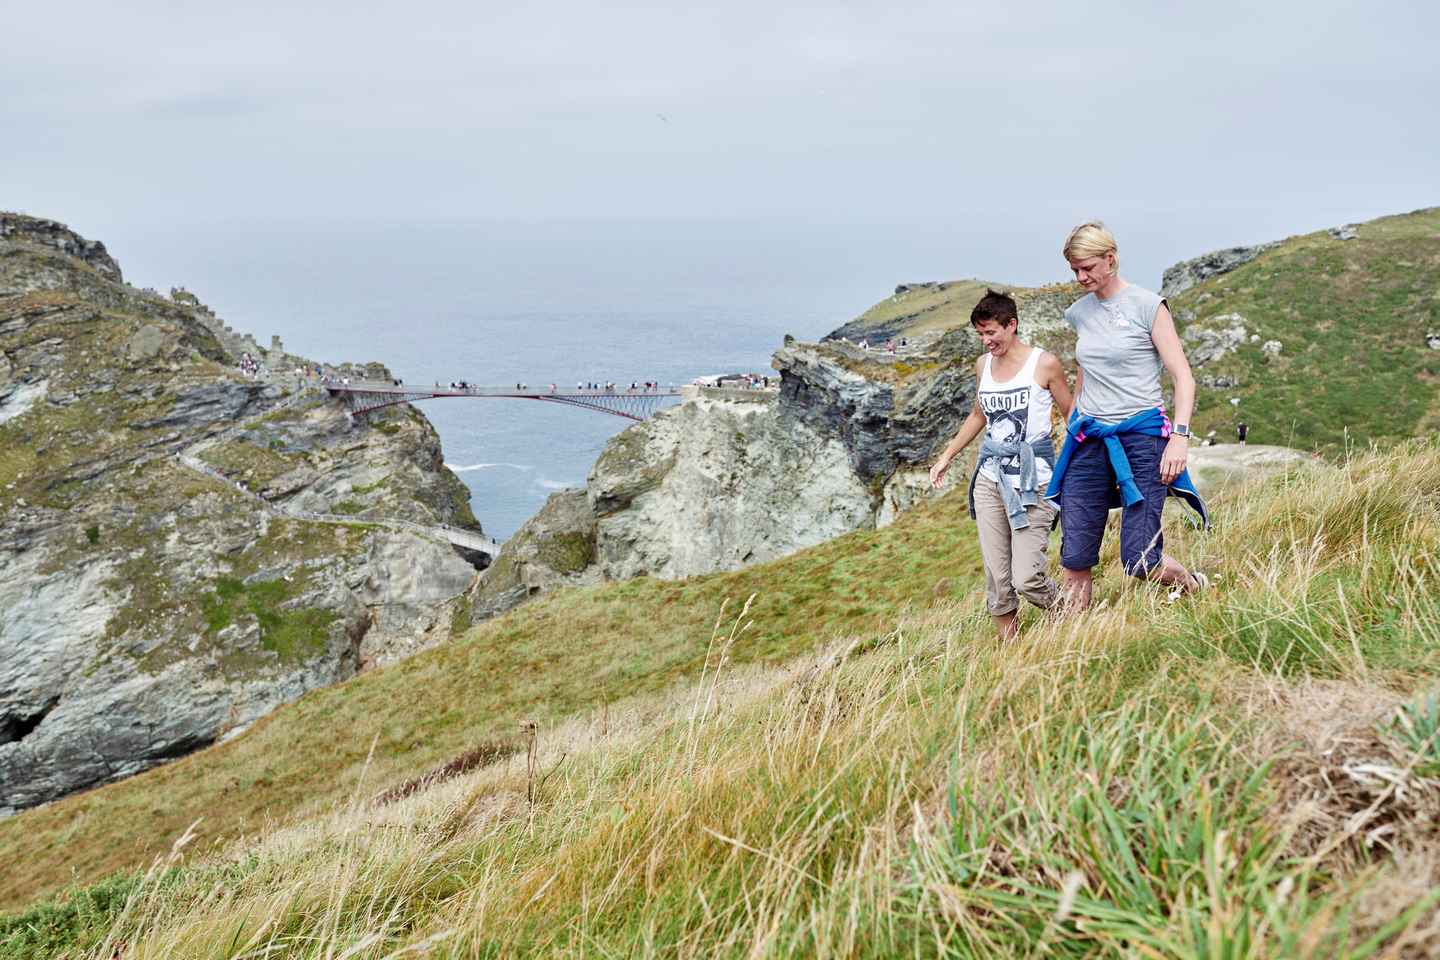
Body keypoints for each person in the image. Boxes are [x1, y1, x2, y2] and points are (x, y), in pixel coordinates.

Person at [1045, 222, 1208, 610]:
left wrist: (1179, 438)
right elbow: (1087, 370)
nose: (1081, 277)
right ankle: (1075, 647)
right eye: (1074, 271)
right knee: (1075, 558)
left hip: (1141, 439)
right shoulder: (1079, 313)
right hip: (1089, 440)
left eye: (1087, 268)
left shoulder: (1148, 306)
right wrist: (1074, 420)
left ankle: (1192, 584)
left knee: (1140, 561)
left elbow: (1183, 377)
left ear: (1111, 259)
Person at [929, 289, 1073, 642]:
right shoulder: (984, 366)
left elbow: (1073, 416)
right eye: (980, 334)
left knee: (1026, 577)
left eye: (991, 332)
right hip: (990, 478)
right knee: (997, 575)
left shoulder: (1045, 363)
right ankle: (1010, 648)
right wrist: (947, 456)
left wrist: (1076, 470)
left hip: (1033, 481)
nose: (986, 340)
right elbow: (979, 414)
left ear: (1012, 325)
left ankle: (1070, 615)